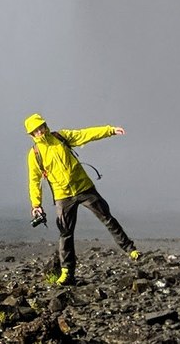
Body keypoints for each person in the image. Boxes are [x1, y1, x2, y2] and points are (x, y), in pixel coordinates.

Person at [25, 114, 140, 284]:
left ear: (45, 126)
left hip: (84, 187)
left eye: (41, 127)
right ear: (31, 134)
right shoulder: (34, 154)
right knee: (65, 234)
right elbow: (34, 181)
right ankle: (67, 273)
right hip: (62, 196)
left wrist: (110, 130)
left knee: (107, 218)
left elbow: (85, 134)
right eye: (35, 130)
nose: (40, 131)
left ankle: (130, 250)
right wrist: (36, 205)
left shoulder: (60, 137)